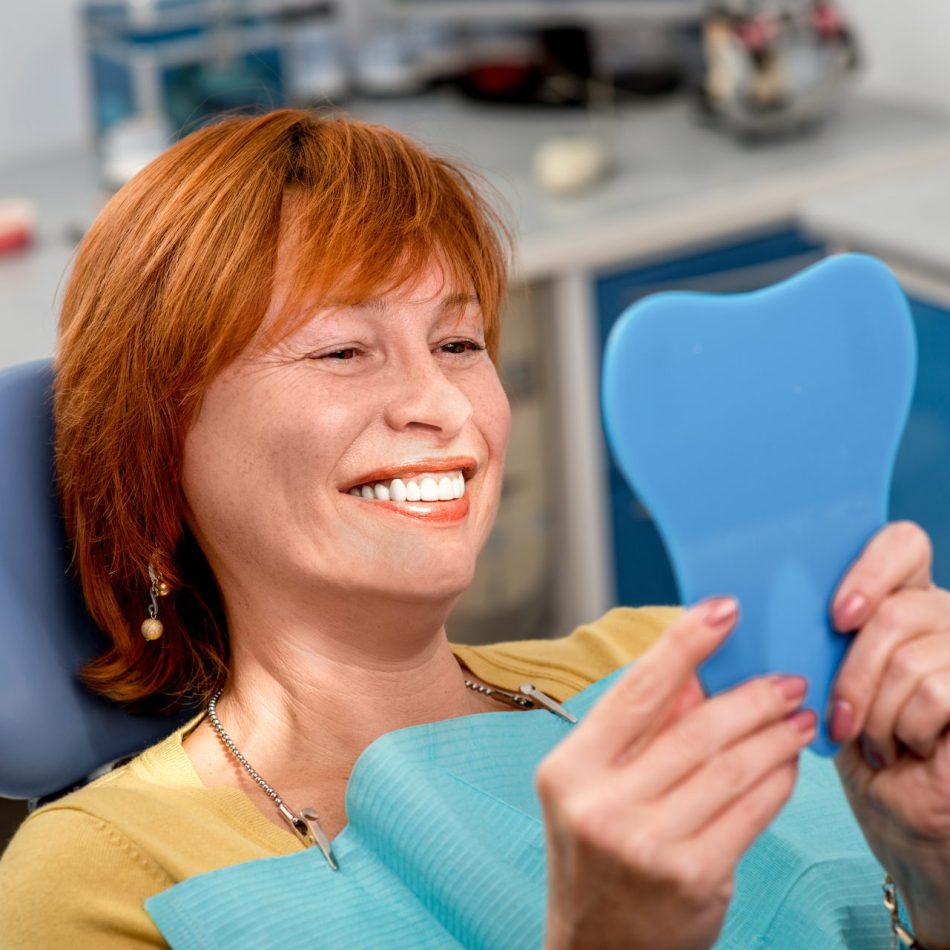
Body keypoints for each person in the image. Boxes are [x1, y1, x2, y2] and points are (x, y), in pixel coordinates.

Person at [0, 108, 948, 949]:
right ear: (158, 447)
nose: (441, 403)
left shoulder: (687, 662)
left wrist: (929, 871)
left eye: (459, 343)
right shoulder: (103, 880)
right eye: (341, 350)